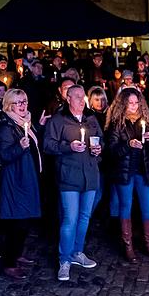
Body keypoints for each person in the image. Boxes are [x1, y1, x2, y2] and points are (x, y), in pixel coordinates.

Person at [43, 84, 103, 281]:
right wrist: (68, 146)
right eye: (76, 96)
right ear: (68, 99)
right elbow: (48, 145)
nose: (80, 100)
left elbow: (100, 140)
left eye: (82, 96)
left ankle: (78, 252)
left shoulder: (91, 118)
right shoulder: (58, 120)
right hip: (69, 175)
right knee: (70, 218)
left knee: (85, 217)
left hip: (90, 174)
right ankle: (65, 259)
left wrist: (98, 149)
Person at [0, 89, 42, 279]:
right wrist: (19, 147)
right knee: (17, 223)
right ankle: (9, 262)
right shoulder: (6, 126)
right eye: (18, 102)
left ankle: (17, 254)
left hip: (27, 177)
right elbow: (3, 155)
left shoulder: (25, 122)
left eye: (25, 101)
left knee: (25, 221)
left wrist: (40, 127)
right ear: (9, 105)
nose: (23, 105)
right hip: (15, 180)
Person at [105, 87, 149, 262]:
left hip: (143, 171)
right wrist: (128, 144)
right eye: (130, 103)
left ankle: (148, 243)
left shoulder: (146, 122)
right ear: (123, 104)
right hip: (125, 172)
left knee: (147, 207)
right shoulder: (117, 123)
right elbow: (112, 150)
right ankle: (128, 246)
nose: (134, 106)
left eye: (137, 102)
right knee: (126, 207)